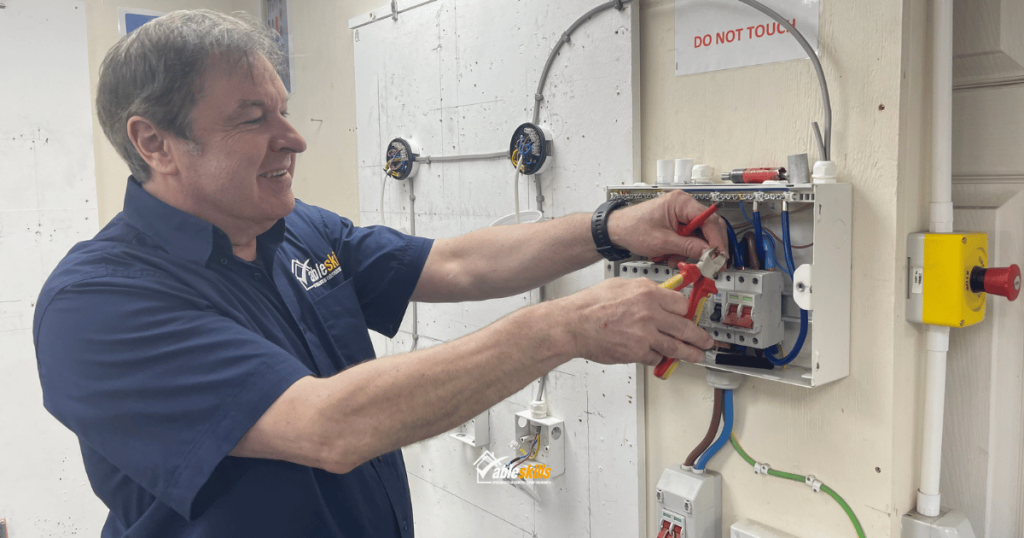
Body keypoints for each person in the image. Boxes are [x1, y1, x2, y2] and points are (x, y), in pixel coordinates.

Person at [33, 9, 727, 538]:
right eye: (253, 118)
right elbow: (327, 426)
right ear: (155, 142)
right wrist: (566, 328)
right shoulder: (96, 305)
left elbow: (451, 264)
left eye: (283, 109)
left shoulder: (296, 227)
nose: (294, 138)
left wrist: (611, 229)